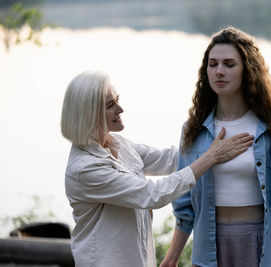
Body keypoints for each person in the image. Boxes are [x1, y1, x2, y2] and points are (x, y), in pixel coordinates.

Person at [60, 70, 254, 267]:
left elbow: (169, 159)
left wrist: (219, 138)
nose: (121, 109)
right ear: (88, 115)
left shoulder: (118, 144)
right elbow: (152, 194)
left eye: (118, 100)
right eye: (111, 105)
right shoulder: (85, 169)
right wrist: (210, 156)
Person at [160, 27, 271, 267]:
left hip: (260, 248)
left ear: (247, 70)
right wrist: (170, 259)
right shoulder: (193, 130)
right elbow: (184, 208)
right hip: (208, 251)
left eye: (229, 64)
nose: (219, 71)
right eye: (212, 64)